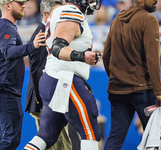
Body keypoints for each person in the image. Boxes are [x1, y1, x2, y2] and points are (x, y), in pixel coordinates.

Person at [24, 0, 103, 150]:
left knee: (46, 135)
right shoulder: (71, 12)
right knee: (90, 132)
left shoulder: (60, 13)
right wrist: (82, 56)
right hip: (65, 79)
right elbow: (58, 47)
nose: (93, 2)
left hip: (54, 77)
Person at [102, 0, 161, 149]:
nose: (156, 1)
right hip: (142, 91)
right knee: (155, 139)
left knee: (115, 137)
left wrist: (117, 79)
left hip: (117, 89)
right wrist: (158, 93)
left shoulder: (116, 20)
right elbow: (153, 59)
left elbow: (105, 56)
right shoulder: (149, 19)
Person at [0, 0, 46, 149]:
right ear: (7, 5)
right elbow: (8, 51)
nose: (24, 5)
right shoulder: (6, 27)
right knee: (11, 140)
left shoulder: (2, 27)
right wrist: (32, 46)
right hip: (4, 93)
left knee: (6, 139)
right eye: (20, 2)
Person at [25, 0, 73, 150]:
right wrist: (42, 102)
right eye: (57, 13)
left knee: (62, 143)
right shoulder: (42, 36)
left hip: (52, 99)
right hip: (46, 102)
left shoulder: (50, 32)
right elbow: (38, 70)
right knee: (58, 145)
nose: (61, 17)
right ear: (45, 15)